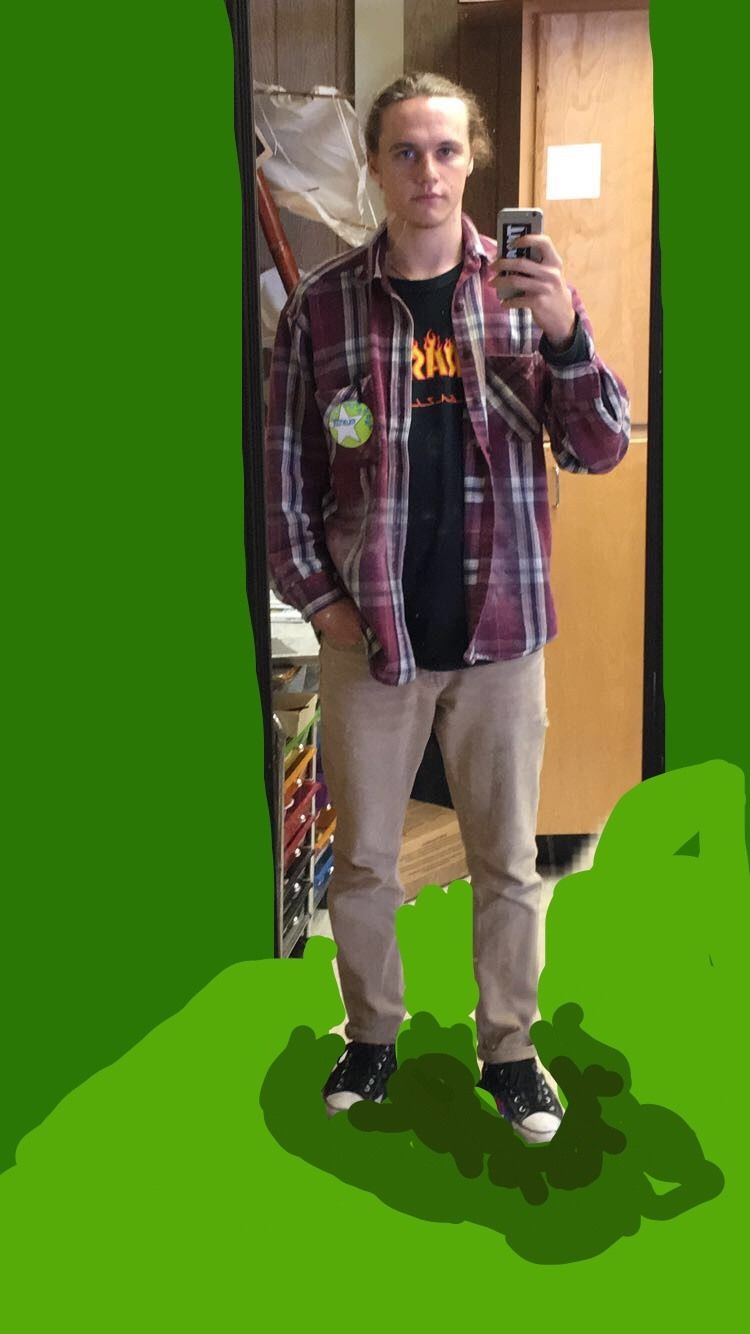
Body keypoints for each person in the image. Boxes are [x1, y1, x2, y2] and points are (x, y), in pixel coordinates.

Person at [265, 72, 630, 1143]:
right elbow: (283, 479)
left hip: (501, 636)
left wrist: (567, 337)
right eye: (406, 152)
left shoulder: (526, 294)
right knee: (364, 864)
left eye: (446, 151)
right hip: (371, 638)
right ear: (377, 166)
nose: (428, 171)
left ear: (474, 162)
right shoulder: (324, 306)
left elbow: (599, 446)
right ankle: (372, 1036)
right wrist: (322, 604)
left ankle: (510, 1050)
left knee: (507, 863)